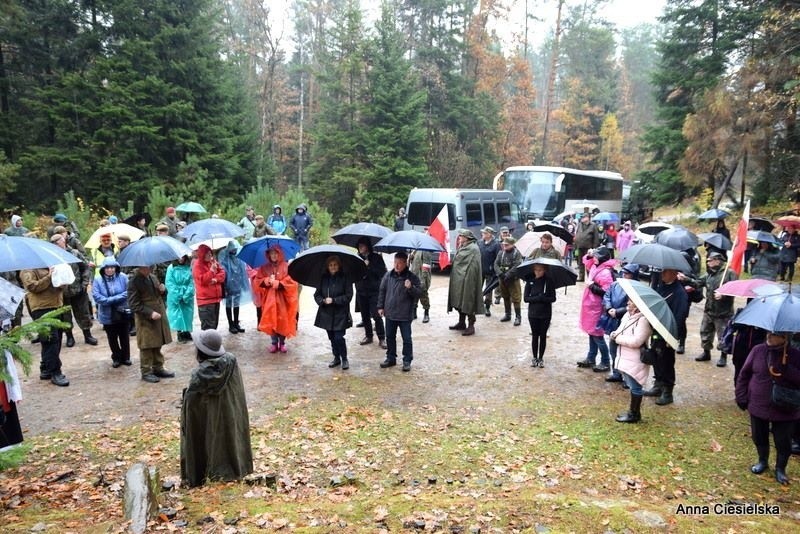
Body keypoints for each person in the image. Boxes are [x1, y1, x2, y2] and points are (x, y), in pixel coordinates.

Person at [180, 329, 253, 487]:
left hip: (216, 415)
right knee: (227, 437)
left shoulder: (198, 375)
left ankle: (199, 475)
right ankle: (233, 469)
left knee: (202, 437)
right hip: (229, 414)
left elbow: (192, 410)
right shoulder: (231, 361)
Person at [735, 331, 800, 485]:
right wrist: (741, 396)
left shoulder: (795, 355)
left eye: (774, 334)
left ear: (785, 337)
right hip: (759, 403)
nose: (769, 336)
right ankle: (763, 461)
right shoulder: (758, 350)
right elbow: (744, 374)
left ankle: (780, 469)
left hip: (786, 407)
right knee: (759, 436)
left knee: (783, 441)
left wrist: (787, 370)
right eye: (768, 333)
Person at [680, 251, 736, 366]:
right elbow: (697, 283)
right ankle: (706, 352)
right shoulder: (708, 274)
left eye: (710, 260)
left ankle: (723, 356)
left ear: (718, 261)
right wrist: (685, 279)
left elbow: (735, 290)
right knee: (705, 332)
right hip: (709, 310)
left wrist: (723, 295)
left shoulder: (729, 273)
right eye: (707, 260)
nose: (708, 262)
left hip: (723, 313)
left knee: (723, 335)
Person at [643, 268, 689, 406]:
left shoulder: (680, 293)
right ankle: (658, 384)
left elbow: (680, 316)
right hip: (657, 330)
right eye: (662, 272)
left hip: (668, 332)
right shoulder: (660, 287)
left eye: (665, 272)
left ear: (674, 273)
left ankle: (668, 391)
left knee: (667, 361)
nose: (662, 274)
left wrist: (673, 336)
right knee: (656, 358)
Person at [19, 268, 69, 387]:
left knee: (55, 340)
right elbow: (32, 286)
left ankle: (45, 368)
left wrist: (62, 282)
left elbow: (59, 285)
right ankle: (55, 372)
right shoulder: (27, 269)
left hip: (57, 305)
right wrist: (49, 276)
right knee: (51, 340)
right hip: (42, 308)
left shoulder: (49, 265)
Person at [377, 251, 422, 372]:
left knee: (406, 339)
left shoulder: (412, 277)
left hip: (405, 314)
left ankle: (407, 360)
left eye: (399, 263)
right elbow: (382, 291)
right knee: (390, 337)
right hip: (390, 313)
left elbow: (419, 293)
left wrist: (410, 288)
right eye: (395, 262)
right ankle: (391, 358)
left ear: (405, 263)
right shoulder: (388, 275)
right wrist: (380, 307)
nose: (396, 266)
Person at [128, 265, 174, 383]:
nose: (151, 268)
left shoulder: (152, 277)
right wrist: (150, 313)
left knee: (157, 343)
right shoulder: (134, 281)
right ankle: (146, 371)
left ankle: (158, 367)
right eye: (147, 266)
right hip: (145, 318)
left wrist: (163, 290)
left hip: (158, 313)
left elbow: (159, 294)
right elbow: (133, 304)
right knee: (146, 345)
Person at [610, 299, 653, 423]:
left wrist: (617, 339)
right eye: (628, 301)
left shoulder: (644, 320)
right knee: (631, 385)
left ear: (638, 305)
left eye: (632, 302)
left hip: (635, 359)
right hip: (625, 357)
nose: (628, 303)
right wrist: (614, 333)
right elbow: (620, 331)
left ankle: (634, 414)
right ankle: (633, 412)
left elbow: (637, 341)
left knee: (635, 387)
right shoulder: (627, 315)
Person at [51, 233, 98, 347]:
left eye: (58, 242)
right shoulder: (52, 257)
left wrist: (84, 283)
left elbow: (85, 268)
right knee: (65, 316)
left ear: (64, 241)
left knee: (83, 313)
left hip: (78, 289)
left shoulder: (74, 253)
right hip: (62, 292)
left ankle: (88, 335)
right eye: (54, 244)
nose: (57, 245)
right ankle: (69, 337)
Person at [576, 248, 617, 372]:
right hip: (590, 306)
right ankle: (591, 357)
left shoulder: (605, 272)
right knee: (591, 332)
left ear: (602, 258)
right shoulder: (596, 265)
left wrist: (592, 286)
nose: (594, 258)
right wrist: (589, 255)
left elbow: (607, 292)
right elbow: (587, 263)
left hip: (597, 307)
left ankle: (605, 361)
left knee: (597, 335)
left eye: (596, 256)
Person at [253, 245, 299, 353]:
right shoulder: (264, 267)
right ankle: (274, 342)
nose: (273, 255)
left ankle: (282, 342)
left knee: (282, 319)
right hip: (269, 299)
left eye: (275, 253)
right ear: (268, 255)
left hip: (282, 299)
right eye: (271, 253)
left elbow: (292, 281)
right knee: (271, 318)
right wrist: (267, 281)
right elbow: (257, 280)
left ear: (279, 254)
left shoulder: (286, 266)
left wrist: (279, 283)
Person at [314, 255, 354, 369]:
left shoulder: (345, 277)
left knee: (339, 337)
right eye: (331, 265)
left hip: (340, 313)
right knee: (331, 337)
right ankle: (336, 357)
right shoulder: (323, 278)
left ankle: (344, 358)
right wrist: (322, 300)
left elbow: (349, 296)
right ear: (328, 266)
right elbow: (317, 294)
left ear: (339, 266)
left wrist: (335, 300)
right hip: (327, 314)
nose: (333, 267)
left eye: (335, 265)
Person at [601, 263, 639, 382]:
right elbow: (607, 296)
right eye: (624, 272)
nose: (625, 275)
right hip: (613, 320)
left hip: (626, 321)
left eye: (628, 273)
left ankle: (627, 378)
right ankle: (616, 373)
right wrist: (609, 308)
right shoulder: (615, 284)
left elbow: (634, 305)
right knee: (613, 348)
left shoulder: (636, 288)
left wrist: (617, 311)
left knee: (626, 352)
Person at [92, 257, 131, 368]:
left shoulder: (123, 277)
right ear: (103, 268)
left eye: (112, 267)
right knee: (112, 337)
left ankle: (126, 357)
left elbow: (128, 292)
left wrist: (110, 300)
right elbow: (97, 297)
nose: (110, 270)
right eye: (107, 267)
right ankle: (116, 357)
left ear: (116, 268)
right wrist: (114, 299)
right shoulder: (98, 280)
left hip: (122, 311)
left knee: (124, 336)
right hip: (107, 314)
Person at [447, 229, 483, 336]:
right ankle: (461, 322)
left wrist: (467, 278)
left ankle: (471, 325)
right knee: (458, 300)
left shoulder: (473, 248)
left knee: (468, 301)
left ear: (467, 237)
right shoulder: (463, 246)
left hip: (468, 280)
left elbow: (474, 266)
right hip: (459, 279)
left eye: (461, 236)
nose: (459, 237)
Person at [354, 237, 387, 349]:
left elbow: (382, 272)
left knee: (376, 315)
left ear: (367, 246)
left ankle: (382, 338)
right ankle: (368, 336)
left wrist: (369, 266)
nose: (360, 248)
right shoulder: (356, 258)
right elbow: (352, 273)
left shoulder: (376, 258)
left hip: (374, 291)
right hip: (361, 291)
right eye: (359, 246)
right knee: (364, 315)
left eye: (362, 245)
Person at [523, 263, 556, 368]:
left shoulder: (549, 281)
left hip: (545, 313)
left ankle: (541, 357)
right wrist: (538, 298)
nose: (538, 272)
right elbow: (526, 298)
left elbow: (553, 298)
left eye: (540, 270)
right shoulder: (530, 281)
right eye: (536, 270)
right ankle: (534, 357)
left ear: (544, 270)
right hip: (533, 313)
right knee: (534, 335)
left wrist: (544, 298)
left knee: (543, 336)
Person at [192, 244, 226, 330]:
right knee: (207, 328)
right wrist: (211, 271)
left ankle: (212, 343)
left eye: (210, 253)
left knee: (214, 326)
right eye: (208, 254)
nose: (210, 255)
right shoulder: (197, 266)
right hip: (205, 302)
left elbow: (222, 273)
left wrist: (215, 279)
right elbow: (202, 280)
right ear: (202, 255)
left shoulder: (213, 262)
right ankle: (206, 343)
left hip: (215, 299)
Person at [219, 241, 249, 334]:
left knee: (236, 304)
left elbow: (243, 271)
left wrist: (244, 284)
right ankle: (230, 324)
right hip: (228, 285)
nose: (234, 251)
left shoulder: (239, 259)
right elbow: (223, 272)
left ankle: (236, 323)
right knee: (228, 304)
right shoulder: (225, 259)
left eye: (235, 249)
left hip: (237, 284)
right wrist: (225, 285)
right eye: (233, 249)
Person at [494, 236, 523, 326]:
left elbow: (517, 265)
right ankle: (507, 314)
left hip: (513, 279)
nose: (504, 246)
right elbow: (496, 264)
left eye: (507, 245)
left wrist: (508, 274)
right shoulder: (501, 253)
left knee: (516, 298)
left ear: (512, 245)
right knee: (505, 296)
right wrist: (500, 273)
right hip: (502, 279)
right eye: (504, 245)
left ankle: (518, 317)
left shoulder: (517, 253)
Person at [165, 254, 195, 343]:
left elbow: (191, 282)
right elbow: (169, 283)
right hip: (175, 295)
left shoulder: (189, 267)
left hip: (187, 295)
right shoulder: (171, 268)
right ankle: (179, 332)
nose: (181, 259)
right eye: (179, 257)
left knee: (187, 314)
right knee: (177, 315)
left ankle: (187, 331)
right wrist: (177, 295)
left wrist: (187, 295)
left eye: (183, 257)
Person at [478, 226, 500, 317]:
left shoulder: (496, 244)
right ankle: (478, 305)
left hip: (490, 271)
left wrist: (495, 270)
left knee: (489, 289)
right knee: (478, 288)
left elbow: (498, 258)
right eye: (482, 233)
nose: (482, 234)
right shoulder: (479, 242)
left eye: (484, 233)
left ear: (489, 234)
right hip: (480, 270)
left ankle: (487, 307)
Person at [574, 213, 600, 282]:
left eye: (584, 217)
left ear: (588, 218)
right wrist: (576, 244)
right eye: (582, 217)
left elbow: (596, 238)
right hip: (580, 247)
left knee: (589, 264)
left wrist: (594, 248)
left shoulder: (593, 225)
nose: (582, 218)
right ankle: (581, 277)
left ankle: (590, 277)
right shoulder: (580, 224)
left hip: (589, 248)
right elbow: (577, 234)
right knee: (580, 263)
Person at [408, 248, 432, 323]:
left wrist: (423, 279)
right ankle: (414, 313)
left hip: (422, 277)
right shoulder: (415, 250)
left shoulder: (425, 250)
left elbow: (426, 265)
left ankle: (426, 314)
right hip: (414, 275)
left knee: (423, 295)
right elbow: (413, 263)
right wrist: (410, 258)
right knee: (414, 294)